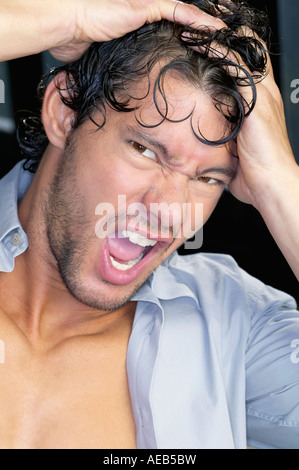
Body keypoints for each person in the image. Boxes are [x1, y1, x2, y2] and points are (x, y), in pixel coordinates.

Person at [0, 0, 298, 449]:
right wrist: (68, 19)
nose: (169, 209)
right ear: (64, 112)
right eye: (145, 150)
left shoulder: (238, 328)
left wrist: (280, 179)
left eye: (207, 177)